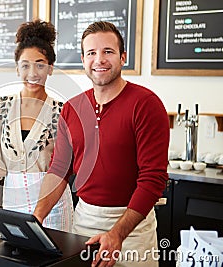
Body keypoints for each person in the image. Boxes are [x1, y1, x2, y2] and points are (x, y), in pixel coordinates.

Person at [33, 21, 169, 266]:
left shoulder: (146, 104)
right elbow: (59, 169)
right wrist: (36, 218)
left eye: (108, 51)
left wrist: (117, 234)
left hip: (133, 231)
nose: (100, 60)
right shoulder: (72, 109)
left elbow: (153, 178)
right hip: (84, 223)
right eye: (92, 53)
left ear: (122, 57)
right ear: (83, 60)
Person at [0, 19, 74, 232]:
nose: (33, 73)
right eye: (25, 65)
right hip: (12, 203)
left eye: (40, 64)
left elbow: (66, 166)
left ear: (50, 68)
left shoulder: (63, 111)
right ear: (17, 68)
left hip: (53, 206)